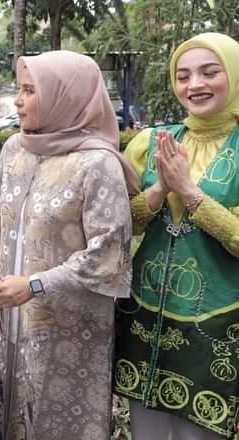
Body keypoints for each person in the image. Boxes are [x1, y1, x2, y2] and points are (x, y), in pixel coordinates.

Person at [0, 51, 137, 439]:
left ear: (66, 96)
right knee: (5, 408)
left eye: (31, 91)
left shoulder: (96, 164)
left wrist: (35, 284)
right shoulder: (15, 148)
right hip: (10, 318)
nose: (18, 100)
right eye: (20, 89)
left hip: (67, 331)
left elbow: (108, 252)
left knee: (54, 421)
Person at [114, 32, 239, 440]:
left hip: (218, 321)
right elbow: (123, 225)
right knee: (145, 430)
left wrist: (189, 192)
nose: (194, 85)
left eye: (209, 72)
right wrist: (157, 191)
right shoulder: (151, 142)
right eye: (183, 76)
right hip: (145, 314)